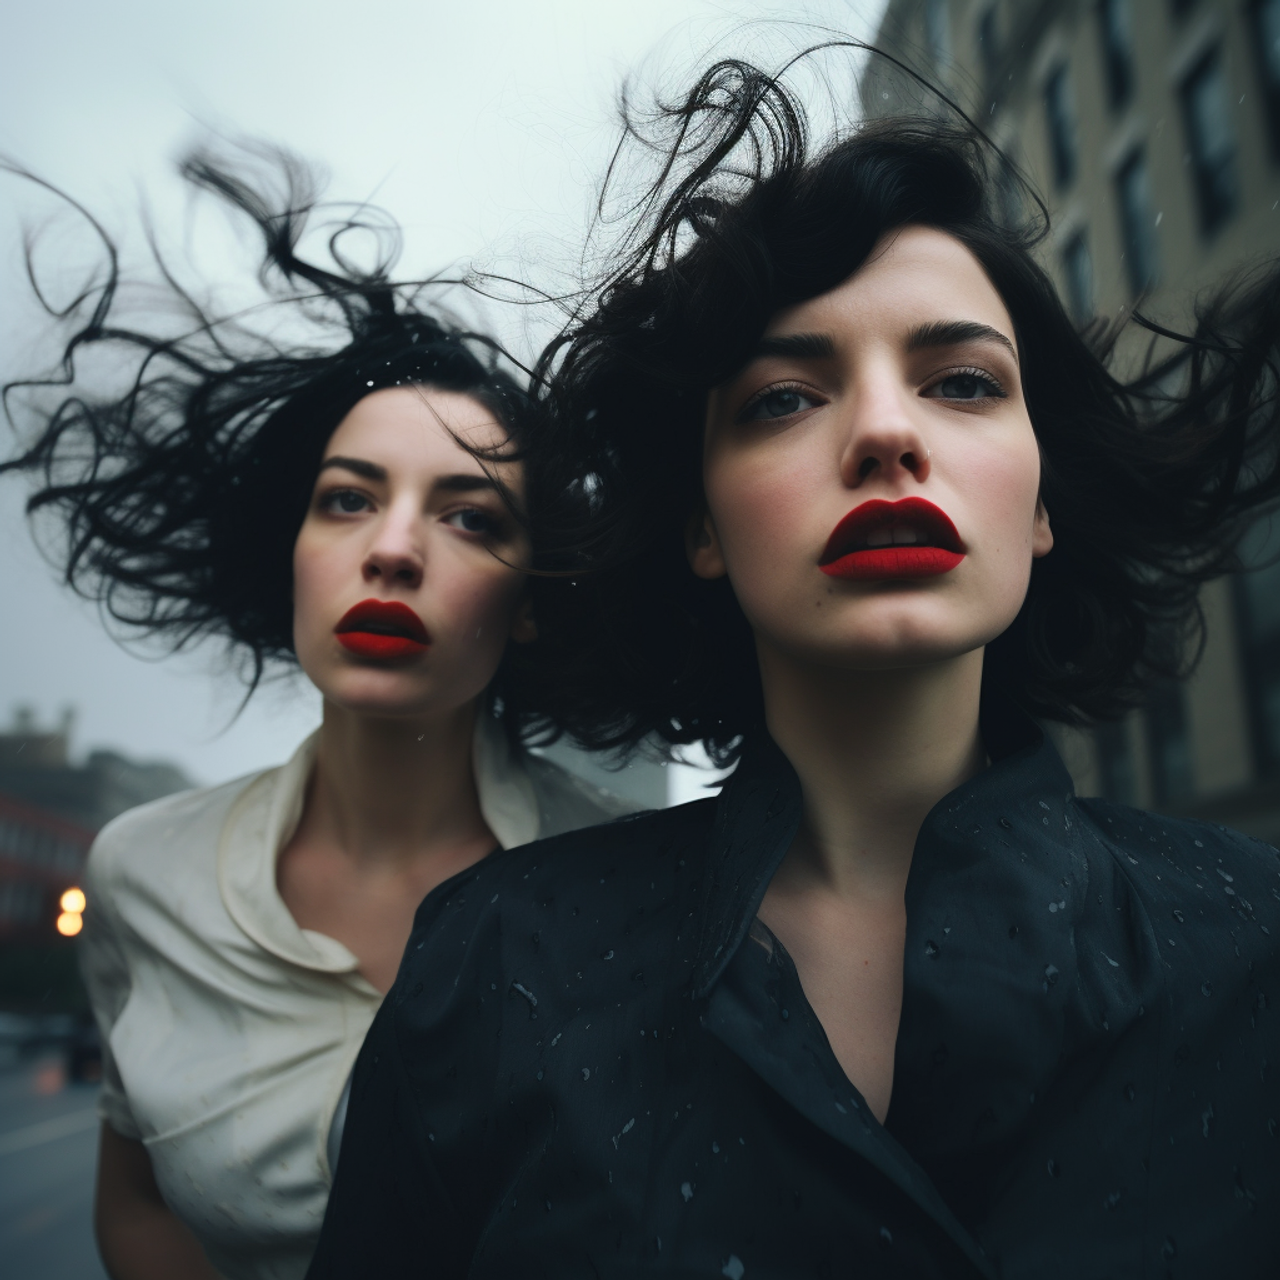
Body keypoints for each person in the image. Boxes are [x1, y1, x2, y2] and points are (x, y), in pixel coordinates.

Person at [307, 57, 1280, 1279]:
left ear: (1041, 504)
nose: (883, 429)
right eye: (781, 398)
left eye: (962, 382)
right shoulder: (494, 961)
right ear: (702, 525)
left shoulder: (1252, 942)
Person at [2, 149, 632, 1280]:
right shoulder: (142, 872)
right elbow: (139, 1202)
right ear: (289, 552)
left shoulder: (632, 884)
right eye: (347, 499)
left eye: (470, 516)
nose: (390, 548)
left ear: (532, 602)